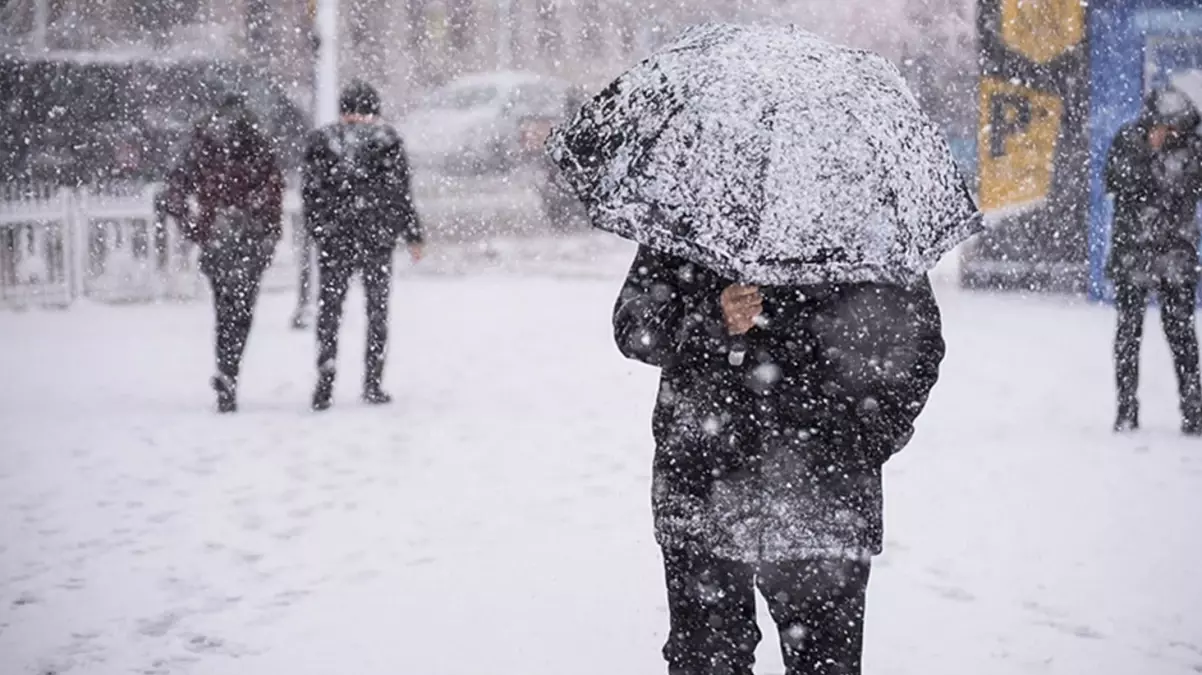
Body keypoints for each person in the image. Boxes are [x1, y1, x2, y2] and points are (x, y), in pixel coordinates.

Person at [613, 246, 945, 675]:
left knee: (825, 665)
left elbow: (917, 344)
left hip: (823, 499)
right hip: (704, 488)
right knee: (706, 662)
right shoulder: (694, 209)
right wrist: (711, 318)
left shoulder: (862, 219)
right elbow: (634, 326)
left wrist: (862, 440)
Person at [302, 80, 423, 411]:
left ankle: (325, 372)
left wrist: (320, 230)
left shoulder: (322, 141)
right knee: (377, 310)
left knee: (330, 309)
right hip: (376, 239)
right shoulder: (387, 141)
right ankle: (373, 381)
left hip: (335, 239)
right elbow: (400, 194)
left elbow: (311, 194)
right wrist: (412, 233)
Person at [162, 93, 283, 413]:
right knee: (242, 311)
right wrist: (270, 233)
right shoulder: (257, 144)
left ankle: (226, 370)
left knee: (225, 309)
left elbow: (175, 190)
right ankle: (231, 369)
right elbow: (273, 192)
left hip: (216, 236)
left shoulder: (202, 145)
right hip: (251, 236)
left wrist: (194, 227)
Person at [1105, 87, 1202, 434]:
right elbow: (1116, 181)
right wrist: (1150, 153)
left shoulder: (1193, 149)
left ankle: (1193, 411)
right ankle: (1126, 409)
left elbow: (1189, 186)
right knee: (1128, 336)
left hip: (1176, 255)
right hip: (1134, 255)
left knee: (1182, 336)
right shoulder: (1130, 141)